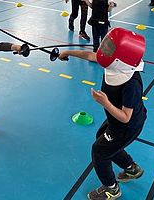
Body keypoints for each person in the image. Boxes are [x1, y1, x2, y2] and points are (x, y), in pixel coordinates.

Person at [58, 27, 147, 200]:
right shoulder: (116, 64)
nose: (104, 51)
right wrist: (68, 52)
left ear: (122, 58)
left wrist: (104, 102)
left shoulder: (131, 85)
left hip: (127, 126)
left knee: (99, 151)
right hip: (116, 121)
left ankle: (111, 188)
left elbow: (126, 117)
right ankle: (131, 168)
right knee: (101, 137)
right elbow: (92, 56)